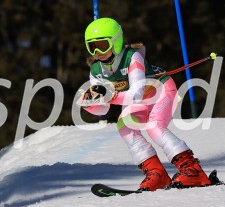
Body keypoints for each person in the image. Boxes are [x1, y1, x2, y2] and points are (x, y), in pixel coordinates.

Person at [79, 16, 212, 191]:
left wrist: (110, 96)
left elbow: (136, 94)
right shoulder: (96, 70)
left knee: (154, 126)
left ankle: (193, 170)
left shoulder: (131, 57)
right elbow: (103, 109)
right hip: (143, 99)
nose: (98, 51)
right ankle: (157, 174)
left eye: (102, 45)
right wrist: (90, 104)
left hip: (161, 89)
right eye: (92, 47)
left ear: (115, 42)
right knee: (125, 125)